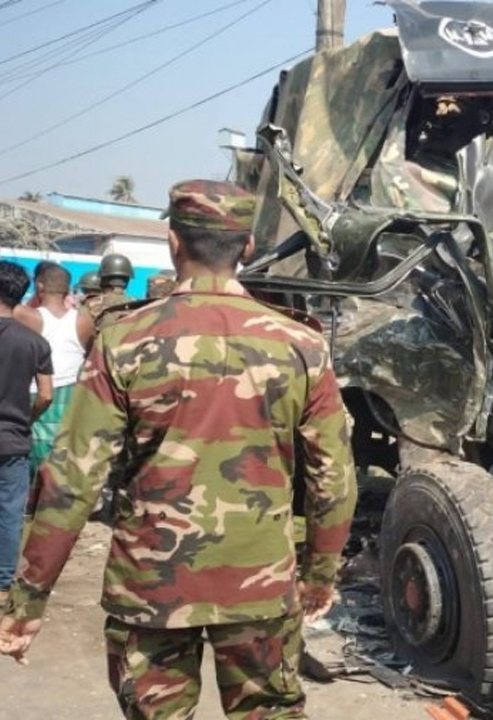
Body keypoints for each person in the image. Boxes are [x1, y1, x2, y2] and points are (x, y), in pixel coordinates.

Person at [0, 180, 357, 719]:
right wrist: (320, 574)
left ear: (173, 243)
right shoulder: (301, 344)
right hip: (259, 583)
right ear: (248, 248)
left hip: (151, 584)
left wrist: (30, 598)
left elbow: (72, 479)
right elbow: (334, 477)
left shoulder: (125, 339)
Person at [0, 261, 53, 606]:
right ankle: (3, 584)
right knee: (8, 513)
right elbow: (46, 395)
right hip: (13, 439)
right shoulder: (35, 342)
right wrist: (26, 418)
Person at [14, 262, 86, 476]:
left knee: (33, 460)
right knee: (61, 462)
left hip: (36, 395)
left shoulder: (26, 315)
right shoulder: (83, 320)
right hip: (71, 397)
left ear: (39, 286)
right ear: (67, 289)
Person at [76, 253, 134, 349]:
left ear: (102, 279)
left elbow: (83, 339)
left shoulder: (89, 305)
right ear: (127, 280)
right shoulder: (140, 305)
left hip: (99, 355)